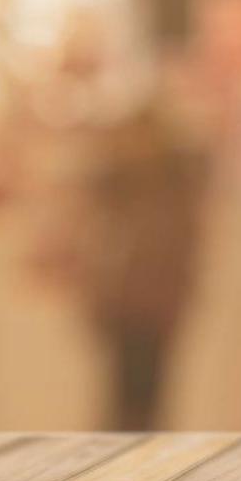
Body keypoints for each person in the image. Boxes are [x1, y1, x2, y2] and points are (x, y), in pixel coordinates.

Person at [80, 103, 204, 430]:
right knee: (122, 395)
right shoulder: (119, 188)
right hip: (127, 305)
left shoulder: (172, 193)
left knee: (146, 398)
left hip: (151, 307)